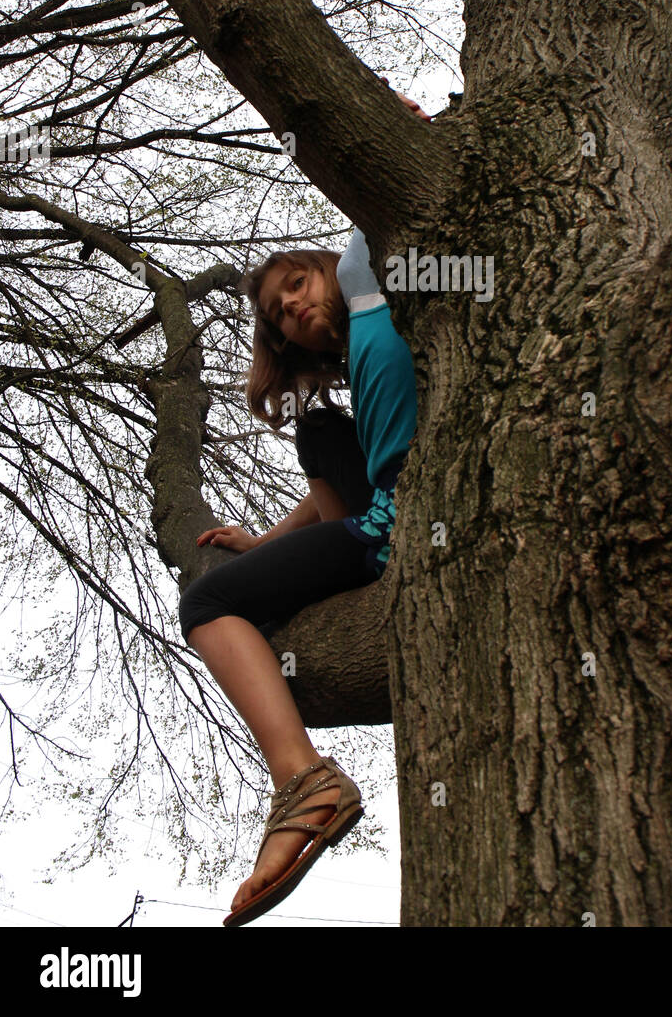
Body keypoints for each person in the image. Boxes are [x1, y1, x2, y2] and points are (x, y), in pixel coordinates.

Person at [178, 88, 430, 927]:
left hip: (387, 525)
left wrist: (386, 115)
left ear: (323, 265)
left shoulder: (367, 276)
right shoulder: (350, 385)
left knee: (207, 603)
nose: (292, 306)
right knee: (319, 433)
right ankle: (304, 777)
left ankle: (304, 780)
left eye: (294, 283)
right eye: (282, 315)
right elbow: (328, 496)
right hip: (375, 515)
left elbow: (390, 175)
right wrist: (261, 543)